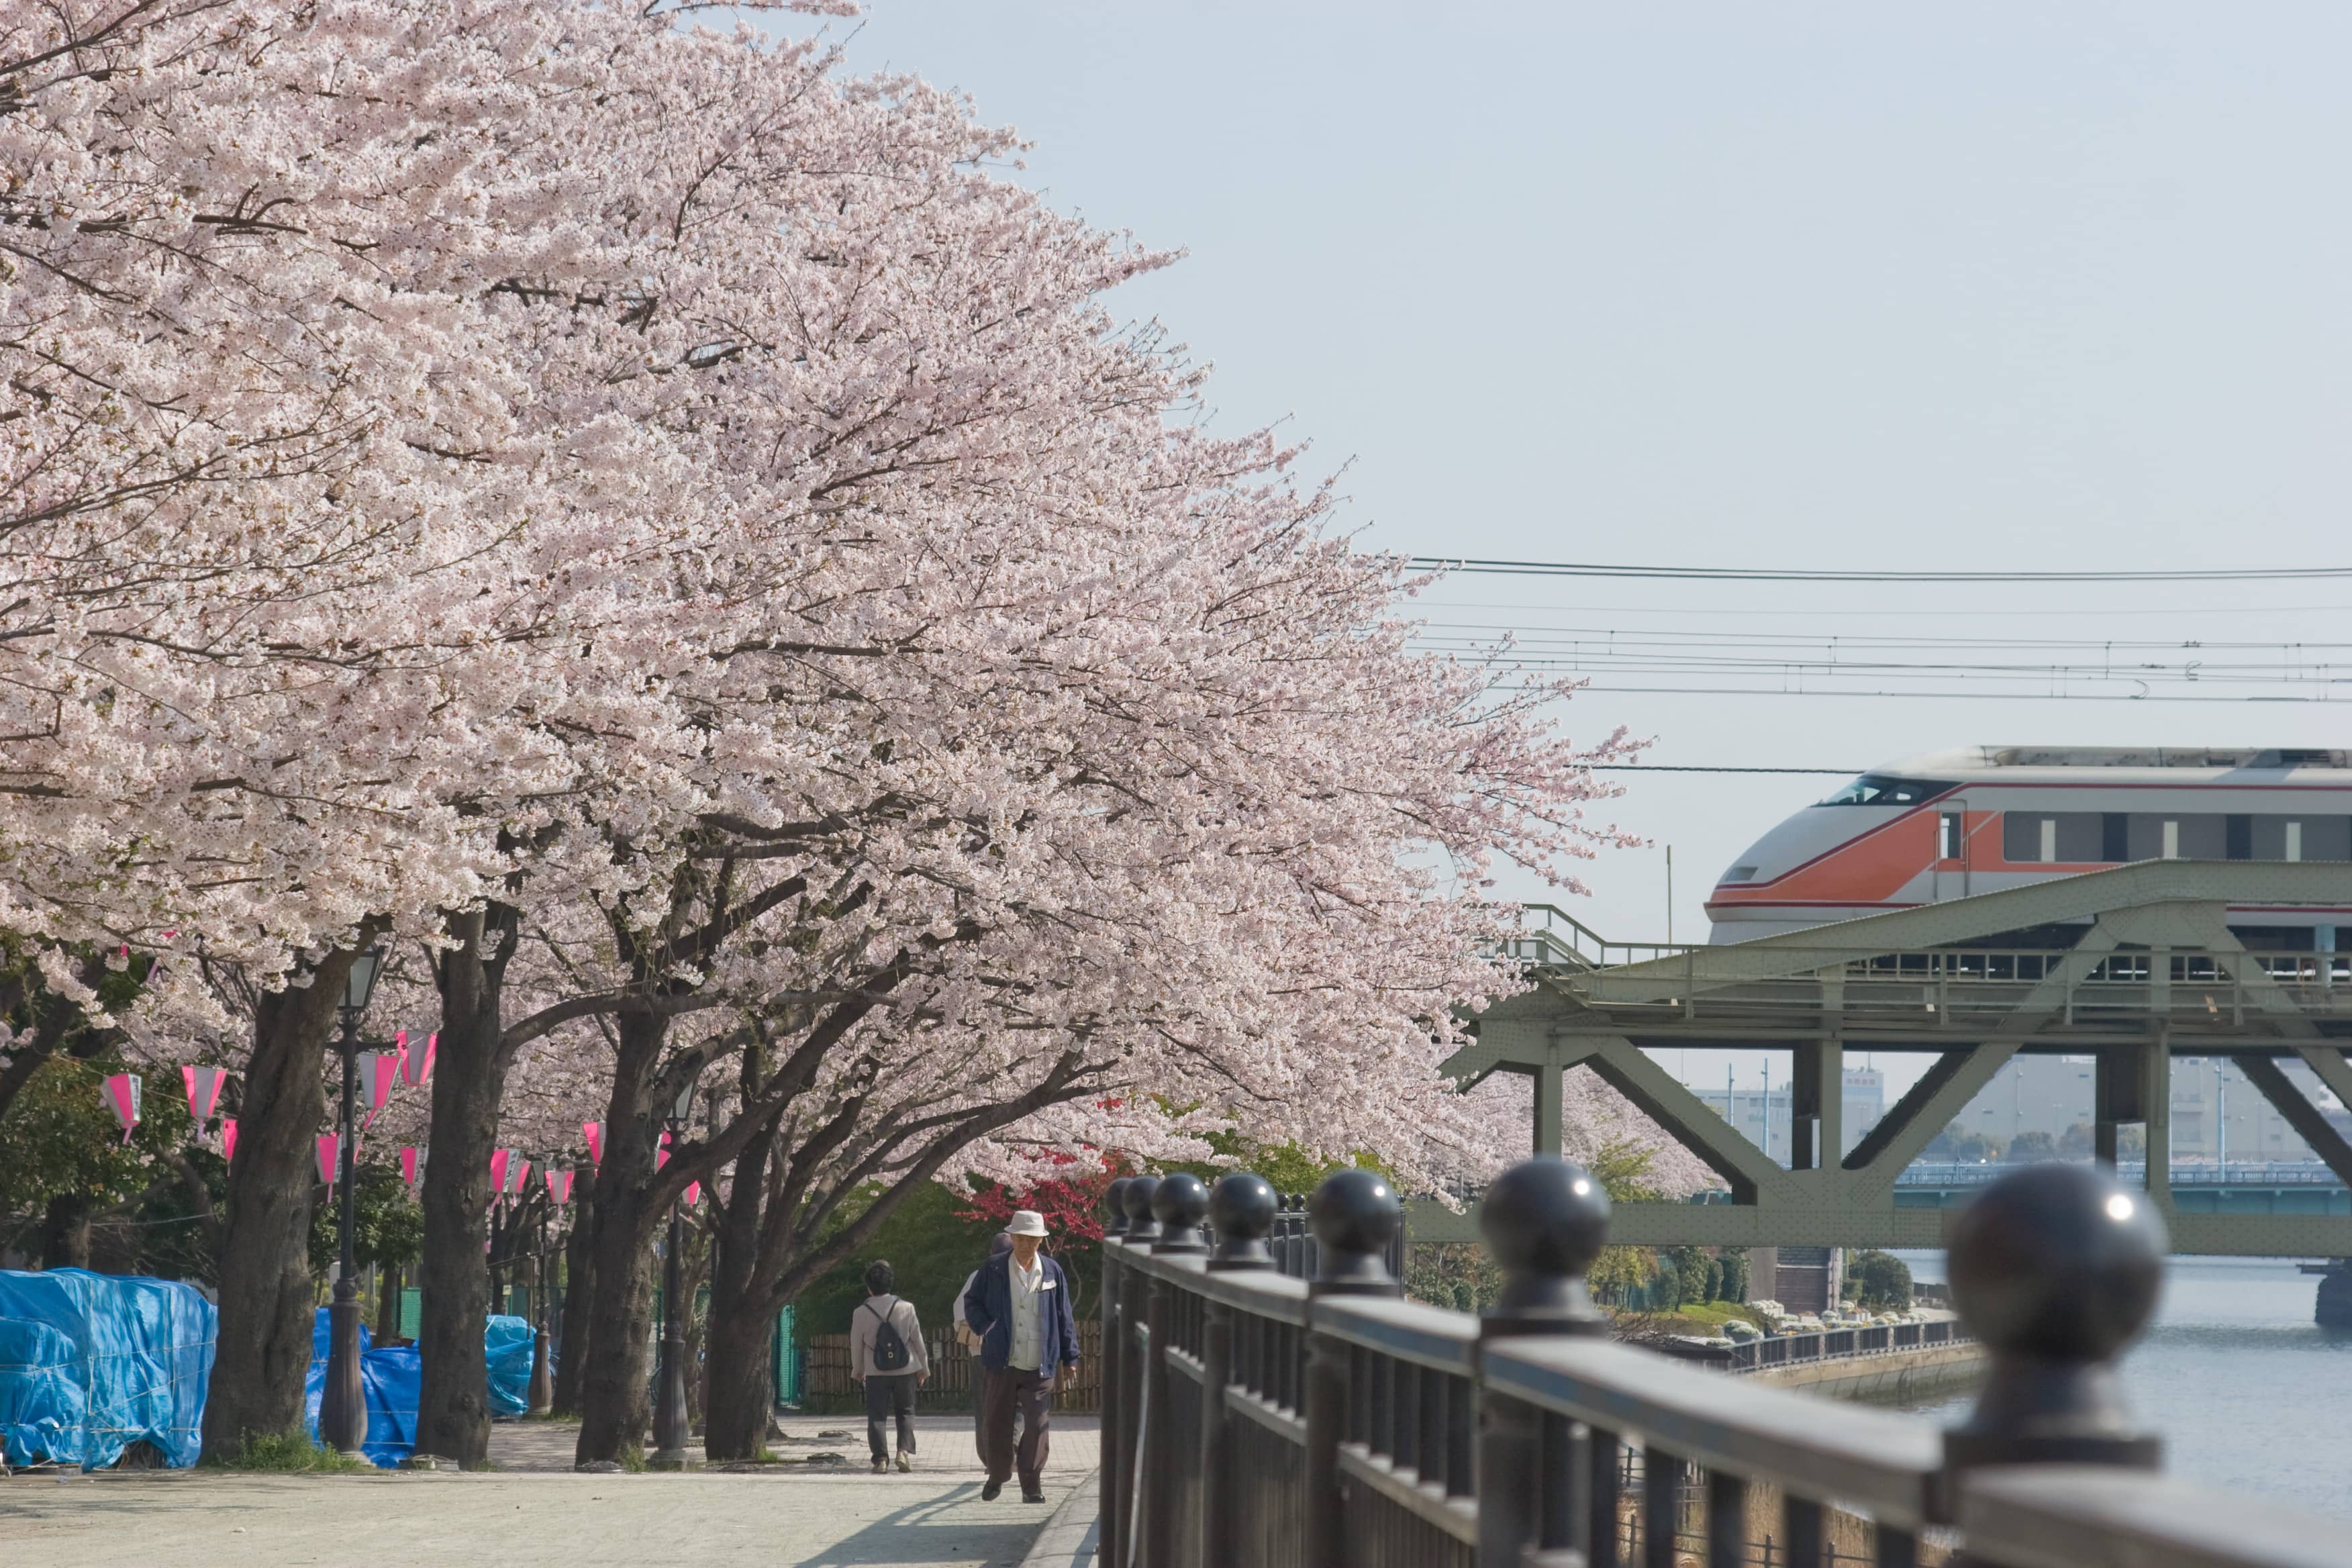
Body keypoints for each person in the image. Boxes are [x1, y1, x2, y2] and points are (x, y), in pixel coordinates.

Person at [961, 1209, 1081, 1503]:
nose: (1028, 1245)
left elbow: (1064, 1315)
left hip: (1040, 1361)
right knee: (998, 1422)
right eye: (1022, 1239)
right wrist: (987, 1327)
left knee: (1037, 1424)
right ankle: (998, 1475)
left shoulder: (1053, 1271)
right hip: (1003, 1360)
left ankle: (1032, 1484)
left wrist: (1071, 1357)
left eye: (1034, 1240)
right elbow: (972, 1301)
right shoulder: (994, 1268)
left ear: (1041, 1241)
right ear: (1012, 1238)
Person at [848, 1259, 927, 1473]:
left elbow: (856, 1344)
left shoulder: (860, 1312)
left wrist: (858, 1369)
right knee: (906, 1411)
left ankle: (881, 1460)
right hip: (906, 1369)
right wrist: (924, 1367)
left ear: (869, 1287)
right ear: (890, 1284)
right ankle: (903, 1451)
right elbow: (917, 1340)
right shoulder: (906, 1308)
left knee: (877, 1414)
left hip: (875, 1371)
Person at [954, 1231, 1016, 1461]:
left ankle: (990, 1457)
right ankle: (1013, 1451)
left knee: (985, 1406)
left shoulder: (977, 1276)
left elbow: (959, 1312)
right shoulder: (1021, 1275)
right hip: (1013, 1352)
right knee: (1014, 1403)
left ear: (991, 1252)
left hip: (981, 1352)